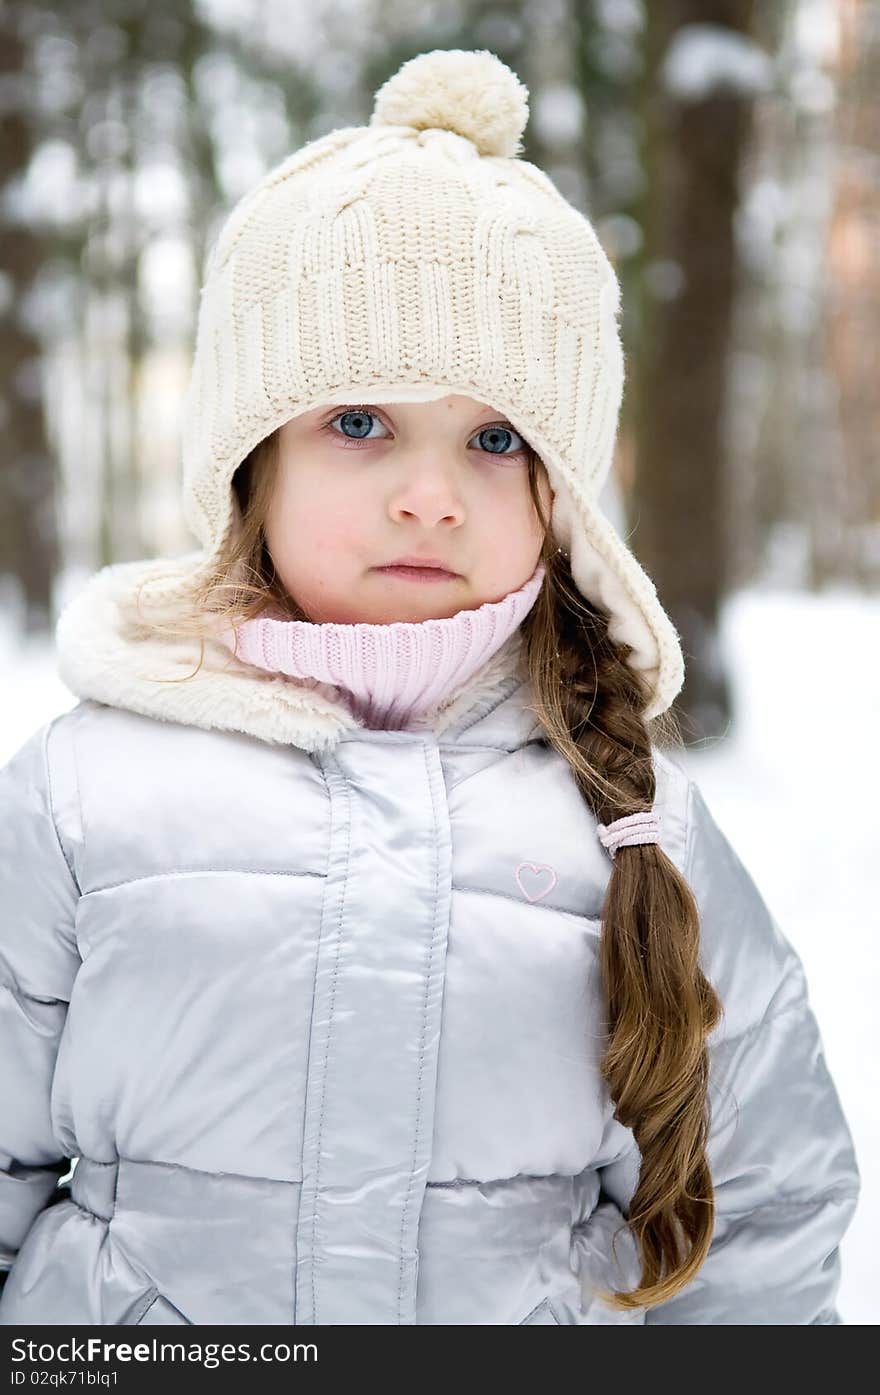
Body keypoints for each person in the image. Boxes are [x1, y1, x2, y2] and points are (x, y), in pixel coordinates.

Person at [0, 48, 859, 1327]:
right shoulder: (84, 798)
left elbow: (759, 1219)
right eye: (358, 423)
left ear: (558, 499)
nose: (429, 491)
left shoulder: (632, 819)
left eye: (495, 438)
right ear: (251, 468)